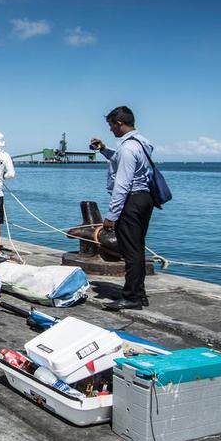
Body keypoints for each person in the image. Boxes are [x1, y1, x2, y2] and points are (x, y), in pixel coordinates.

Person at [92, 106, 156, 311]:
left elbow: (122, 184)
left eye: (111, 125)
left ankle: (131, 297)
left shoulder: (128, 147)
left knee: (130, 251)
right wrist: (103, 149)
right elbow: (121, 161)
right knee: (137, 248)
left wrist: (111, 215)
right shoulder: (141, 143)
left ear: (119, 123)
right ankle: (139, 294)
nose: (110, 130)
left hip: (131, 201)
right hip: (144, 199)